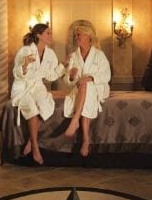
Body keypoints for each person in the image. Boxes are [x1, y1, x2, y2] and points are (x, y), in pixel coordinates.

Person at [9, 23, 65, 165]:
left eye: (51, 33)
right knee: (32, 110)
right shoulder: (25, 51)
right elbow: (16, 73)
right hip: (23, 87)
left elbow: (50, 76)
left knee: (45, 104)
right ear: (39, 35)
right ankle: (35, 145)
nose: (51, 36)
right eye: (48, 33)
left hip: (38, 86)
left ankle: (30, 141)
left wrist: (62, 66)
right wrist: (24, 65)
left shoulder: (50, 54)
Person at [61, 21, 111, 157]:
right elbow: (67, 81)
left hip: (99, 87)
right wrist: (71, 76)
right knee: (84, 86)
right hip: (80, 89)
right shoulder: (73, 56)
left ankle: (75, 120)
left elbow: (106, 75)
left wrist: (90, 78)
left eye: (79, 35)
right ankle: (86, 140)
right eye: (75, 35)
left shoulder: (99, 55)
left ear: (88, 37)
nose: (76, 38)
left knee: (85, 84)